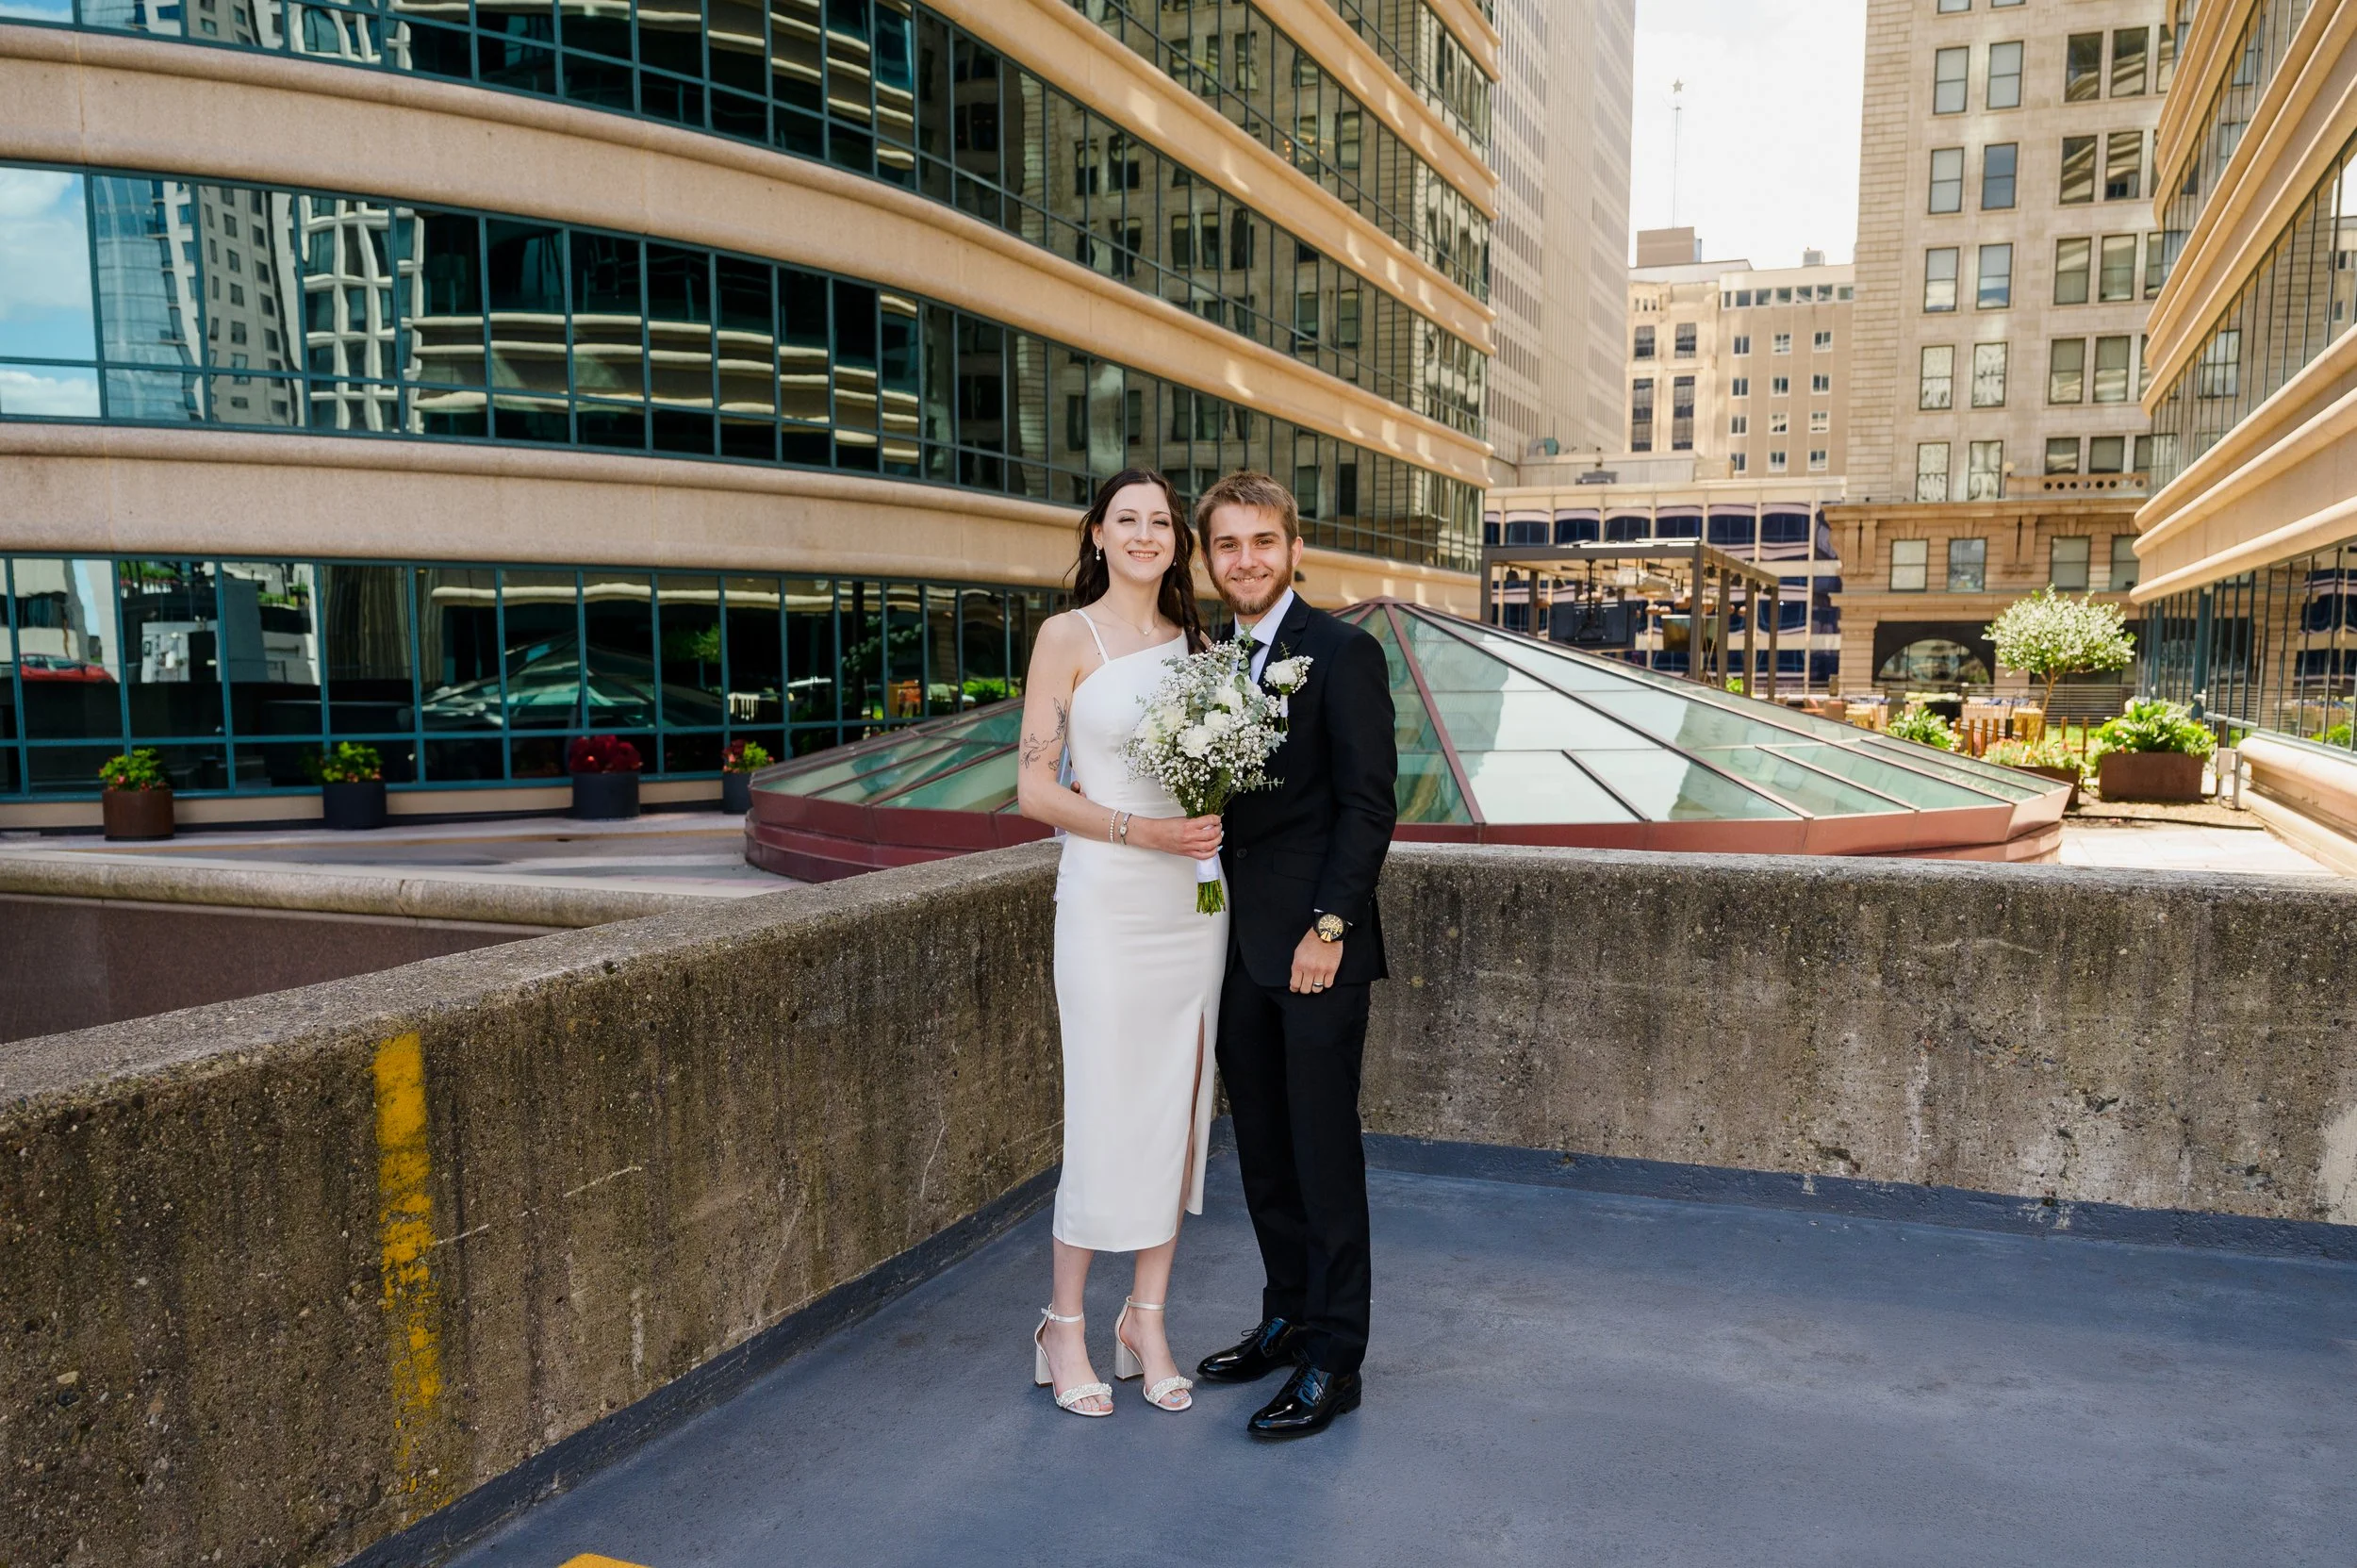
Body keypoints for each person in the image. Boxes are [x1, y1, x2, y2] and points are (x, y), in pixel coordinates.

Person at [1014, 468, 1227, 1418]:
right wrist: (1143, 831)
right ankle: (1062, 1325)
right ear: (1097, 534)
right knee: (1103, 1106)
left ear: (1177, 541)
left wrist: (1209, 815)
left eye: (1161, 522)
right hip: (1107, 900)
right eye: (1126, 519)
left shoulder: (1202, 649)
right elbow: (1034, 789)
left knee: (1178, 1107)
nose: (1146, 534)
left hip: (1194, 904)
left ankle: (1145, 1318)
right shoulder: (1067, 637)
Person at [1189, 471, 1397, 1438]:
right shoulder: (1208, 665)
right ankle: (1286, 1315)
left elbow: (1367, 806)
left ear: (1294, 548)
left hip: (1315, 950)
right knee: (1265, 1154)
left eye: (1262, 541)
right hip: (1235, 949)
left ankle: (1334, 1355)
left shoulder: (1344, 653)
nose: (1246, 560)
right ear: (1209, 558)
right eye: (1227, 544)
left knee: (1322, 1157)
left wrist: (1330, 928)